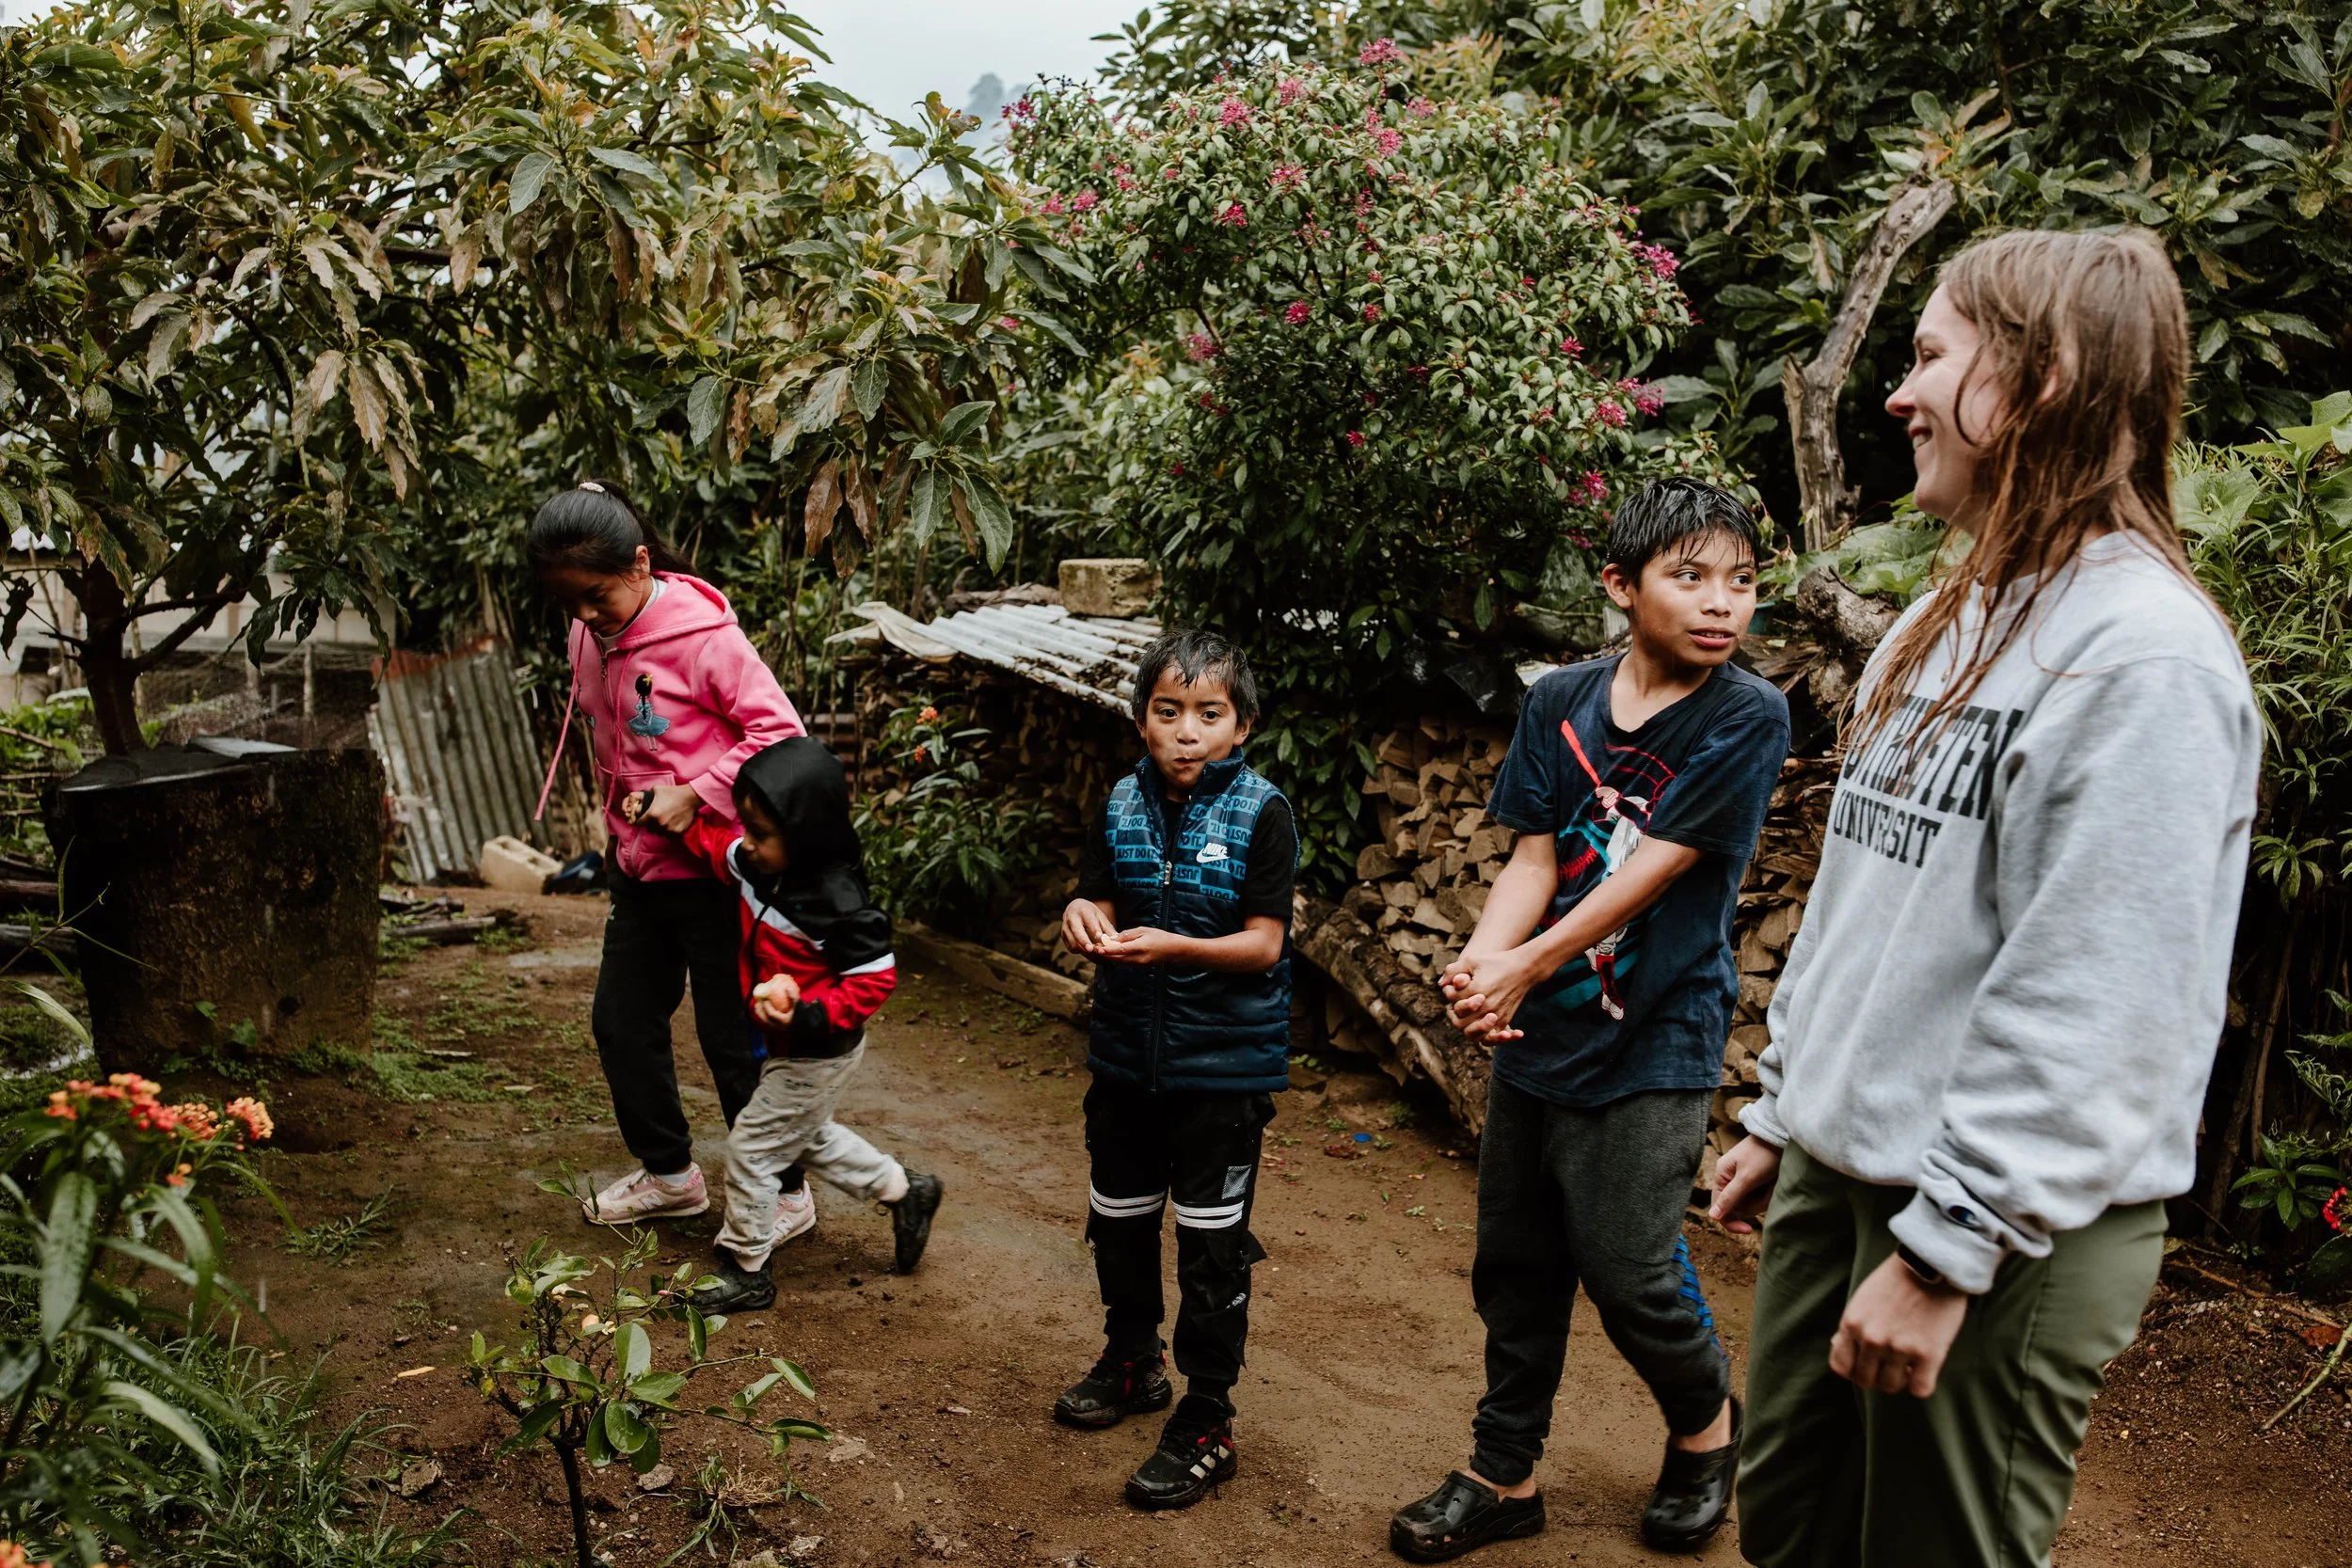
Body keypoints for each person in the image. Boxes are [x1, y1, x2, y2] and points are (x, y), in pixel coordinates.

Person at [1710, 227, 2260, 1568]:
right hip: (1848, 1171)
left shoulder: (2144, 658)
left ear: (2046, 375)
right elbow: (1871, 903)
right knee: (1787, 1521)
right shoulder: (1942, 616)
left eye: (1930, 354)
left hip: (2005, 1222)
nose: (1897, 394)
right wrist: (1794, 1110)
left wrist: (1953, 1242)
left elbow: (2101, 987)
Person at [1390, 477, 1790, 1561]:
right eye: (1690, 576)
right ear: (1619, 585)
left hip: (1658, 1035)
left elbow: (1650, 872)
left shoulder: (1746, 713)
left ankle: (1706, 1430)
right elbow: (1535, 853)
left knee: (1628, 1264)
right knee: (1514, 1260)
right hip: (1540, 1032)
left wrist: (1519, 965)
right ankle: (1502, 1469)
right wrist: (1480, 965)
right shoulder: (1560, 696)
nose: (1721, 604)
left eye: (1742, 582)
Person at [529, 482, 818, 1236]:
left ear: (642, 562)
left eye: (598, 596)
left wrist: (696, 790)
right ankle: (670, 1176)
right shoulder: (586, 635)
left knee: (733, 1044)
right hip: (639, 867)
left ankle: (785, 1195)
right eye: (571, 605)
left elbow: (780, 736)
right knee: (621, 1024)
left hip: (719, 873)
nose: (588, 618)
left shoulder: (705, 636)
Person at [1054, 629, 1296, 1512]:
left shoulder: (1264, 812)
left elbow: (1265, 943)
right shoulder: (1118, 800)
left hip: (1220, 1076)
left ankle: (1207, 1415)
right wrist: (1086, 910)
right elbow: (1099, 890)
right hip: (1124, 1057)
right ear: (1141, 720)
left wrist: (1178, 947)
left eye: (1209, 713)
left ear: (1243, 726)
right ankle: (1131, 1359)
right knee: (1117, 1219)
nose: (1187, 731)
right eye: (1168, 712)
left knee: (1211, 1245)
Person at [620, 738, 945, 1310]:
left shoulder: (838, 903)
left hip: (819, 1049)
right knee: (803, 1134)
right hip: (784, 1042)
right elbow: (716, 845)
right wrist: (659, 810)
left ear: (807, 835)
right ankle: (904, 1189)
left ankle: (747, 1264)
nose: (750, 842)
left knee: (751, 1146)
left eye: (763, 833)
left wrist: (809, 1013)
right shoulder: (759, 864)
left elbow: (874, 979)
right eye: (748, 826)